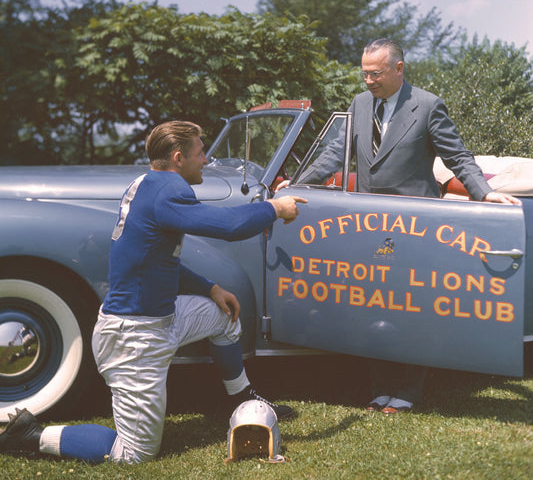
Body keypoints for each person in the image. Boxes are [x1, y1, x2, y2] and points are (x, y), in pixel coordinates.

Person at [0, 120, 307, 464]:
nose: (206, 160)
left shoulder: (147, 183)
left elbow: (156, 260)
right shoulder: (170, 190)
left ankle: (240, 399)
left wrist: (210, 288)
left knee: (225, 316)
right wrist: (275, 209)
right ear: (178, 157)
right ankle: (30, 435)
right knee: (134, 454)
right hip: (135, 337)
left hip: (160, 318)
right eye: (200, 153)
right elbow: (231, 226)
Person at [280, 38, 520, 414]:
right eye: (364, 73)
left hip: (414, 227)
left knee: (411, 307)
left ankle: (407, 391)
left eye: (376, 73)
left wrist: (484, 193)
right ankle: (380, 389)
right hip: (365, 224)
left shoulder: (427, 105)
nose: (369, 81)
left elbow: (457, 155)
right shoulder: (360, 104)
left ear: (399, 69)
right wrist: (297, 183)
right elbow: (333, 153)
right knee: (374, 302)